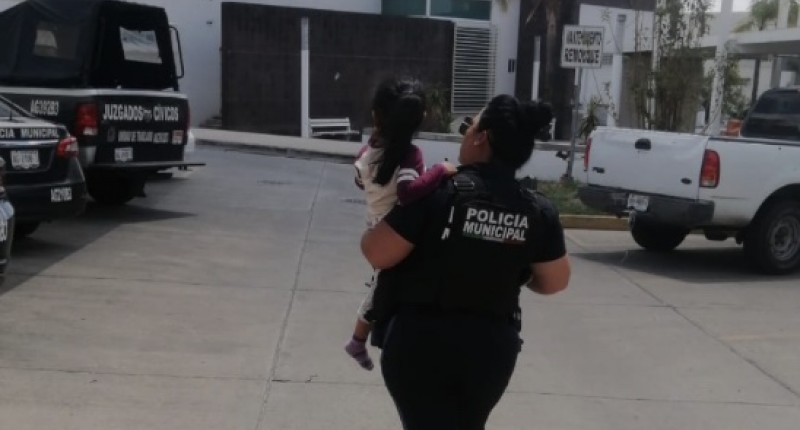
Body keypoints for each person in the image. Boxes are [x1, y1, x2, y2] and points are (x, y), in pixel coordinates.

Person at [361, 94, 571, 429]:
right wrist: (508, 258)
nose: (464, 135)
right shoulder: (536, 209)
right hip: (489, 353)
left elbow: (378, 252)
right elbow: (555, 281)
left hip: (421, 344)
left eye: (468, 126)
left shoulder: (439, 191)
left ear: (481, 137)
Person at [344, 77, 456, 371]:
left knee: (382, 284)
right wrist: (439, 171)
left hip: (376, 226)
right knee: (380, 290)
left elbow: (360, 182)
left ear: (376, 116)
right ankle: (357, 340)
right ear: (420, 118)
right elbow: (407, 192)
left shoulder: (366, 153)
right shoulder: (410, 155)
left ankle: (359, 341)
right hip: (396, 233)